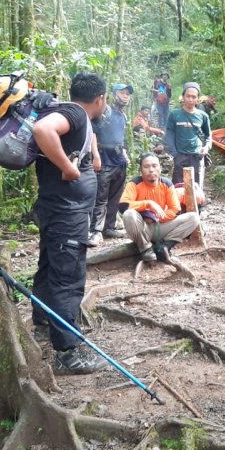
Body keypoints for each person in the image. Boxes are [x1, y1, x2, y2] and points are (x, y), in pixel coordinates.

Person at [30, 71, 108, 375]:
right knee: (68, 278)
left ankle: (43, 322)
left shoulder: (73, 116)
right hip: (66, 215)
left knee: (50, 266)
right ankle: (67, 354)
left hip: (57, 210)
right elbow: (42, 129)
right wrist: (69, 168)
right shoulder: (74, 113)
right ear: (100, 98)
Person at [119, 153, 200, 263]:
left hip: (160, 226)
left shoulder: (166, 184)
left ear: (160, 169)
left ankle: (164, 247)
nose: (151, 170)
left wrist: (156, 218)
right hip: (141, 228)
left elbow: (175, 210)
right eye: (146, 167)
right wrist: (148, 204)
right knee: (129, 214)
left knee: (194, 218)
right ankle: (145, 249)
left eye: (154, 166)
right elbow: (123, 206)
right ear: (141, 170)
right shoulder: (134, 183)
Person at [87, 83, 132, 247]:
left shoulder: (123, 115)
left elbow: (120, 138)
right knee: (100, 197)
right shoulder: (105, 111)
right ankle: (95, 231)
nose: (125, 96)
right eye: (122, 92)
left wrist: (125, 154)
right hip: (105, 160)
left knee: (115, 197)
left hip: (119, 161)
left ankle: (109, 227)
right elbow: (93, 133)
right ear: (114, 95)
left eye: (127, 93)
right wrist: (95, 156)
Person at [166, 82, 212, 185]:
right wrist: (174, 153)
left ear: (198, 99)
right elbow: (169, 134)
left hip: (197, 156)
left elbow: (208, 136)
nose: (190, 99)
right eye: (188, 96)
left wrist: (206, 148)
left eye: (194, 97)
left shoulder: (203, 116)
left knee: (196, 187)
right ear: (183, 97)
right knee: (178, 187)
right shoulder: (174, 115)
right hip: (180, 155)